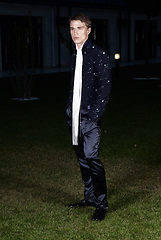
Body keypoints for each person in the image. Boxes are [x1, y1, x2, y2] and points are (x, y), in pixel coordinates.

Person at [65, 13, 111, 221]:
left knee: (92, 158)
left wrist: (94, 116)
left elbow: (105, 88)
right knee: (82, 159)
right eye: (72, 28)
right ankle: (90, 197)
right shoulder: (75, 53)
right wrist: (68, 109)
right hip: (73, 116)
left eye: (79, 28)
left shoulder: (98, 54)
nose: (75, 32)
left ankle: (101, 204)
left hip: (89, 118)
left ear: (88, 30)